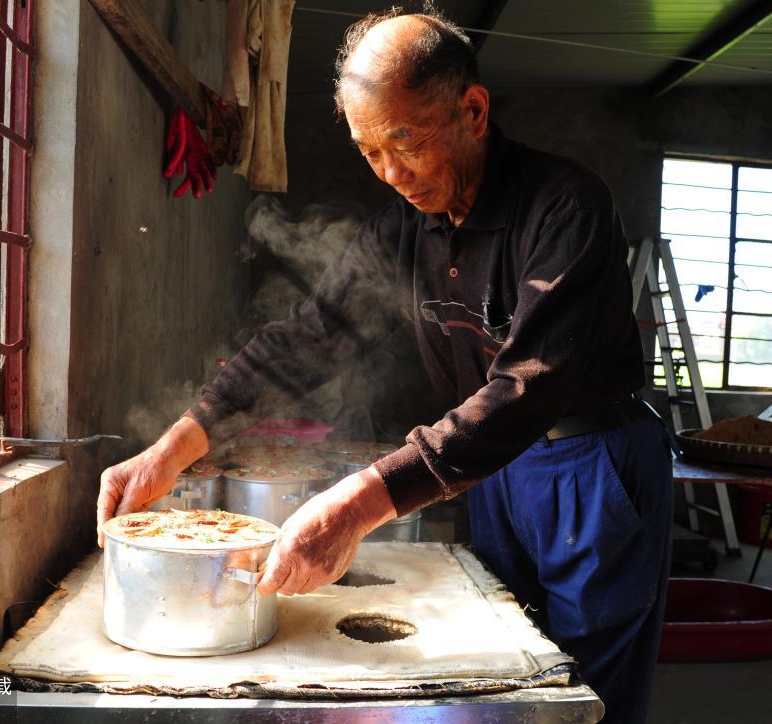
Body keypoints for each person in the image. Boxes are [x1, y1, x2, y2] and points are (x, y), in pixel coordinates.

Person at [98, 10, 672, 723]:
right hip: (493, 468)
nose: (391, 173)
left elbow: (530, 388)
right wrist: (172, 448)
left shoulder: (564, 206)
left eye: (405, 140)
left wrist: (360, 500)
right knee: (508, 669)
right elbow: (306, 338)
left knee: (587, 690)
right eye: (369, 150)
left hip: (589, 464)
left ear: (472, 109)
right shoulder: (403, 229)